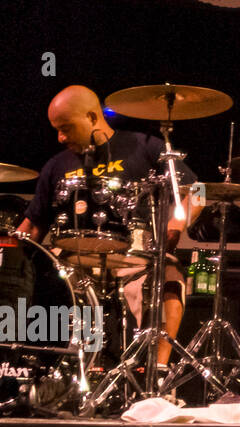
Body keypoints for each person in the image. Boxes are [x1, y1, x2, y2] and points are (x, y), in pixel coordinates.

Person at [14, 85, 198, 370]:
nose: (60, 137)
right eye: (56, 130)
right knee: (36, 283)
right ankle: (58, 370)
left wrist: (175, 226)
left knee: (170, 276)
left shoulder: (145, 146)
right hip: (72, 258)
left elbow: (198, 191)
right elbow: (34, 223)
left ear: (91, 116)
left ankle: (157, 373)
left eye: (66, 128)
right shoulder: (56, 165)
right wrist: (10, 250)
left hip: (134, 254)